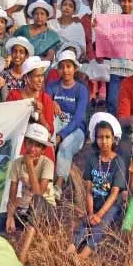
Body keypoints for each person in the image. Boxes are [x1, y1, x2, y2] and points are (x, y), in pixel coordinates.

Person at [0, 123, 56, 265]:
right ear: (25, 143)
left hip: (45, 213)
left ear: (43, 150)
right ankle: (9, 245)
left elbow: (38, 193)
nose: (33, 148)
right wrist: (10, 217)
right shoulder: (16, 163)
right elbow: (13, 194)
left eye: (38, 145)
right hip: (23, 212)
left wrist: (29, 165)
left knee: (37, 201)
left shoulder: (47, 164)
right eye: (30, 143)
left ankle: (23, 255)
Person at [66, 114, 125, 260]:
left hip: (111, 206)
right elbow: (89, 189)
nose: (103, 141)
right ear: (95, 139)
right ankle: (70, 250)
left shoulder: (118, 162)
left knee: (100, 228)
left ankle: (81, 257)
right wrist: (92, 212)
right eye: (100, 137)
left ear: (113, 139)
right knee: (85, 223)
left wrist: (99, 215)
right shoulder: (92, 159)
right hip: (95, 203)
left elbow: (114, 193)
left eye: (107, 137)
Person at [46, 50, 89, 198]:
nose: (65, 70)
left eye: (69, 66)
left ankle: (58, 183)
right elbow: (45, 104)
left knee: (64, 146)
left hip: (75, 128)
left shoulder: (81, 90)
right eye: (62, 66)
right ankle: (43, 179)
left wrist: (61, 136)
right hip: (57, 122)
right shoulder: (52, 86)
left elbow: (78, 119)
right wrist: (51, 102)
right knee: (46, 139)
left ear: (75, 68)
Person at [102, 0, 133, 115]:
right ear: (120, 2)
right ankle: (114, 130)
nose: (126, 4)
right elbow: (106, 38)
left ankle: (131, 131)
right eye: (123, 1)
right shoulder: (113, 22)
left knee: (132, 102)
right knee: (113, 102)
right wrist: (98, 27)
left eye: (129, 1)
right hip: (116, 68)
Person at [7, 56, 55, 161]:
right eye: (36, 76)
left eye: (42, 76)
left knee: (47, 152)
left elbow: (49, 132)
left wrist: (40, 114)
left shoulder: (46, 99)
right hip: (20, 141)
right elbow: (9, 125)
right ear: (26, 78)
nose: (40, 80)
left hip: (40, 142)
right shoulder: (14, 96)